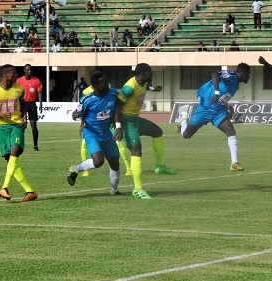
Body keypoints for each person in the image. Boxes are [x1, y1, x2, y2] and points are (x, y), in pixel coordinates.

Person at [115, 63, 177, 200]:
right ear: (143, 73)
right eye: (150, 71)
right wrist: (118, 126)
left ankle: (160, 166)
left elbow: (144, 87)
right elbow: (117, 104)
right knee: (136, 151)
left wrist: (154, 88)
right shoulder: (129, 87)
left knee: (157, 132)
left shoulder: (141, 82)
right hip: (127, 121)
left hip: (135, 119)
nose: (152, 73)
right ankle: (137, 189)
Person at [178, 63, 251, 171]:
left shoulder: (235, 83)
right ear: (244, 72)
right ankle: (184, 120)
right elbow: (215, 74)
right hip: (205, 109)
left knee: (230, 131)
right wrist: (216, 93)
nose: (249, 77)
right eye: (249, 74)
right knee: (186, 135)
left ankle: (234, 163)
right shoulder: (231, 75)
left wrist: (225, 104)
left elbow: (224, 95)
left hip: (218, 112)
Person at [66, 70, 123, 196]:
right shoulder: (87, 99)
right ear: (95, 86)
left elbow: (117, 108)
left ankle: (114, 190)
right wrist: (75, 115)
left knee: (115, 162)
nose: (107, 85)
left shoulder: (113, 93)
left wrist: (118, 126)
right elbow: (78, 112)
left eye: (107, 82)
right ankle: (75, 169)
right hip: (91, 132)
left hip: (106, 133)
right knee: (98, 161)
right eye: (103, 83)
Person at [0, 64, 38, 202]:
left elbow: (23, 105)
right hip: (1, 128)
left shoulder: (19, 89)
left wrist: (24, 116)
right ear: (5, 75)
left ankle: (4, 187)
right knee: (11, 160)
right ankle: (29, 191)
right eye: (14, 73)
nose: (16, 75)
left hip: (17, 126)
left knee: (14, 153)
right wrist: (2, 114)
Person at [16, 64, 43, 152]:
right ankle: (19, 145)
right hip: (22, 104)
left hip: (32, 104)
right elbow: (16, 93)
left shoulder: (36, 81)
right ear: (24, 70)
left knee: (34, 126)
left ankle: (35, 146)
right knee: (21, 125)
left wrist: (40, 104)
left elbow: (39, 93)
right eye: (28, 70)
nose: (29, 71)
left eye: (31, 70)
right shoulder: (19, 81)